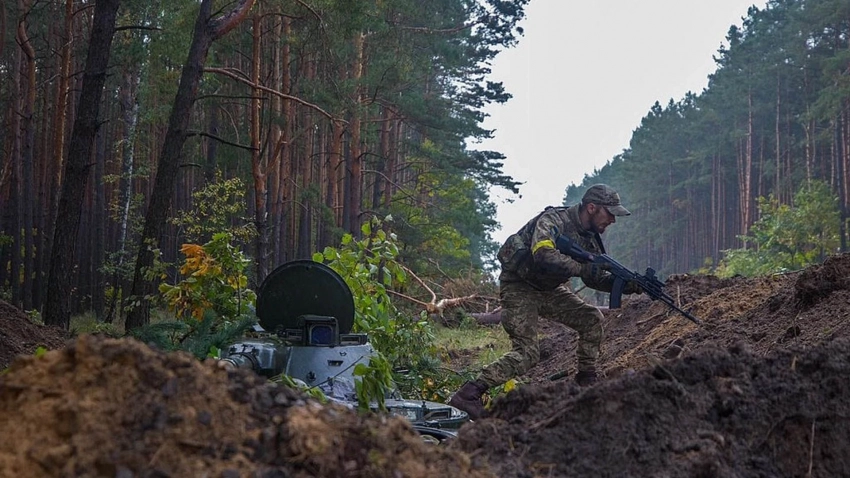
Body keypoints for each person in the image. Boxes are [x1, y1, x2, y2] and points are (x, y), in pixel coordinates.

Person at [448, 184, 641, 420]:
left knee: (591, 319)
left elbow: (595, 278)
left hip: (549, 290)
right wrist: (581, 267)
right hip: (519, 286)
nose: (612, 220)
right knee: (528, 353)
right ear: (592, 208)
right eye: (609, 213)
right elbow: (543, 253)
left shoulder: (590, 240)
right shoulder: (553, 220)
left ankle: (586, 383)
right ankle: (469, 394)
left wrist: (631, 285)